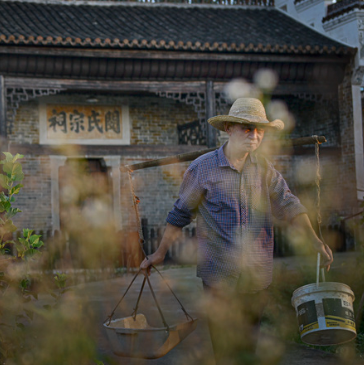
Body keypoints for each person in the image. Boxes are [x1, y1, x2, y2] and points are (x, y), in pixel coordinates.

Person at [140, 97, 333, 365]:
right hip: (219, 275)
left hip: (257, 275)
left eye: (258, 130)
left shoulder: (265, 169)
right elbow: (180, 214)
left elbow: (289, 204)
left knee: (249, 346)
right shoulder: (203, 168)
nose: (253, 135)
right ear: (229, 128)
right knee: (225, 349)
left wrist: (313, 240)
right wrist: (159, 253)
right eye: (245, 128)